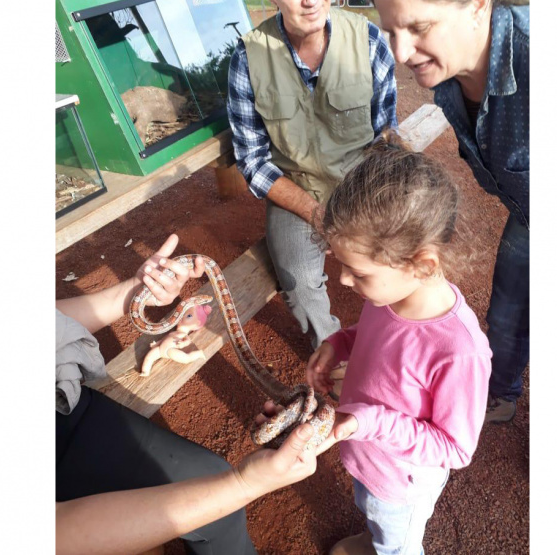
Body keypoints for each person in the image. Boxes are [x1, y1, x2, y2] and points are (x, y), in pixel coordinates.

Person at [56, 234, 322, 555]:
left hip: (63, 408)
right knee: (213, 495)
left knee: (211, 479)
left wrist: (132, 293)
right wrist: (243, 485)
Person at [304, 133, 493, 555]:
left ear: (422, 263)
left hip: (400, 481)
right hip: (368, 456)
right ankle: (376, 538)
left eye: (358, 272)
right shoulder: (389, 295)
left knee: (398, 541)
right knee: (371, 511)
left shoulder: (460, 351)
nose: (343, 281)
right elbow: (375, 340)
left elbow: (454, 448)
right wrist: (339, 343)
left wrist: (367, 423)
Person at [373, 0, 529, 422]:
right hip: (528, 211)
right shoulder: (448, 74)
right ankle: (502, 393)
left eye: (419, 27)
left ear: (478, 7)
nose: (401, 53)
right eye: (390, 32)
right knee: (506, 314)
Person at [227, 0, 398, 350]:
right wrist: (315, 213)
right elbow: (253, 161)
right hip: (297, 187)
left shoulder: (367, 39)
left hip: (363, 182)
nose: (310, 1)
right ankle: (333, 354)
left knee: (395, 260)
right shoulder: (248, 58)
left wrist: (378, 203)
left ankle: (398, 345)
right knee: (299, 281)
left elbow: (387, 134)